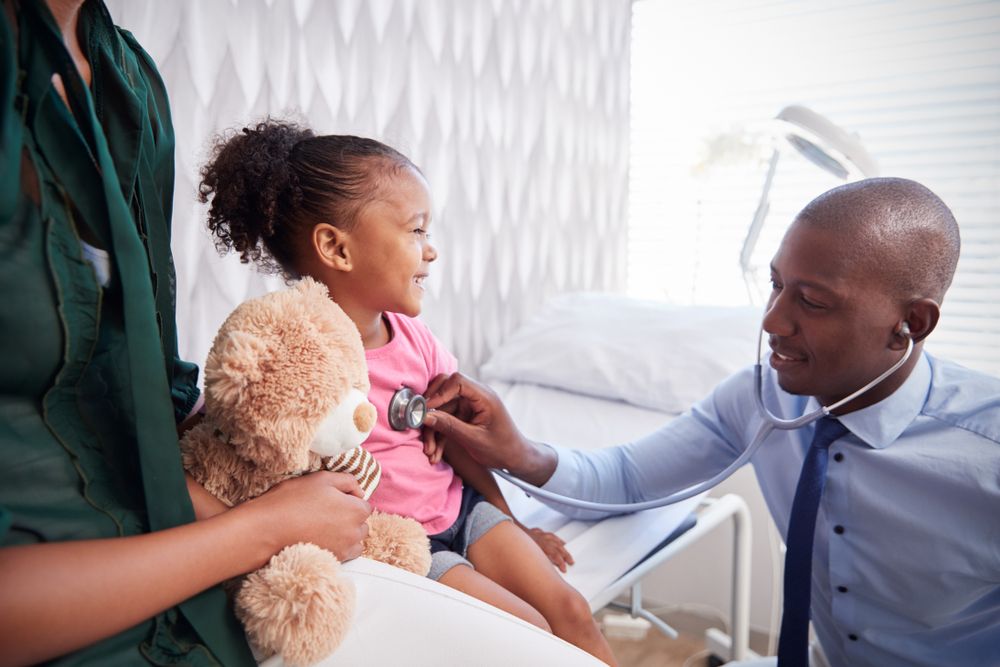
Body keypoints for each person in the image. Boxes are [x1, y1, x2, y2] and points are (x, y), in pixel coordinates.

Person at [421, 177, 1000, 667]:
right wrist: (517, 450)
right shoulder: (760, 402)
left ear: (912, 323)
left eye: (813, 302)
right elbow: (625, 479)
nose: (774, 320)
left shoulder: (985, 450)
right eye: (776, 285)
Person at [0, 2, 373, 664]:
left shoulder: (129, 79)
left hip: (180, 584)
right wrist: (260, 528)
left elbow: (138, 386)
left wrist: (260, 478)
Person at [197, 119, 618, 665]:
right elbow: (238, 424)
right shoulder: (295, 357)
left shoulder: (414, 338)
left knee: (572, 612)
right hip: (402, 544)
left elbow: (460, 444)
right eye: (416, 230)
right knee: (532, 634)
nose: (431, 251)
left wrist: (512, 524)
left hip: (462, 510)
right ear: (336, 248)